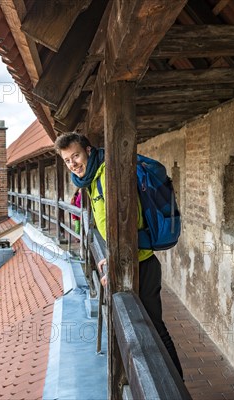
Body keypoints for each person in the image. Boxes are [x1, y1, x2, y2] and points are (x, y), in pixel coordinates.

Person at [54, 132, 183, 377]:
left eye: (76, 156)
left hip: (141, 265)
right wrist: (112, 254)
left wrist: (116, 258)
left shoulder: (108, 175)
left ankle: (176, 384)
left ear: (88, 151)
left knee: (155, 330)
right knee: (147, 329)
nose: (73, 164)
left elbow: (129, 221)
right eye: (67, 160)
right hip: (132, 261)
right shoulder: (92, 179)